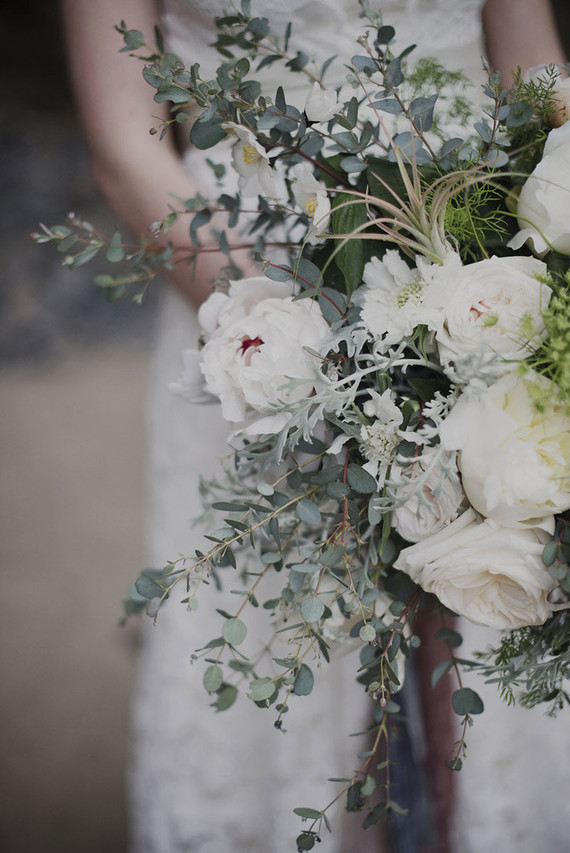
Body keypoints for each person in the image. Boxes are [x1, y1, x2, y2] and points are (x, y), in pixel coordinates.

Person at [60, 1, 567, 851]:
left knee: (492, 599)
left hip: (481, 252)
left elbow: (529, 61)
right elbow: (125, 150)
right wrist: (310, 361)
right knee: (284, 632)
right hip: (246, 275)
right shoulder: (265, 324)